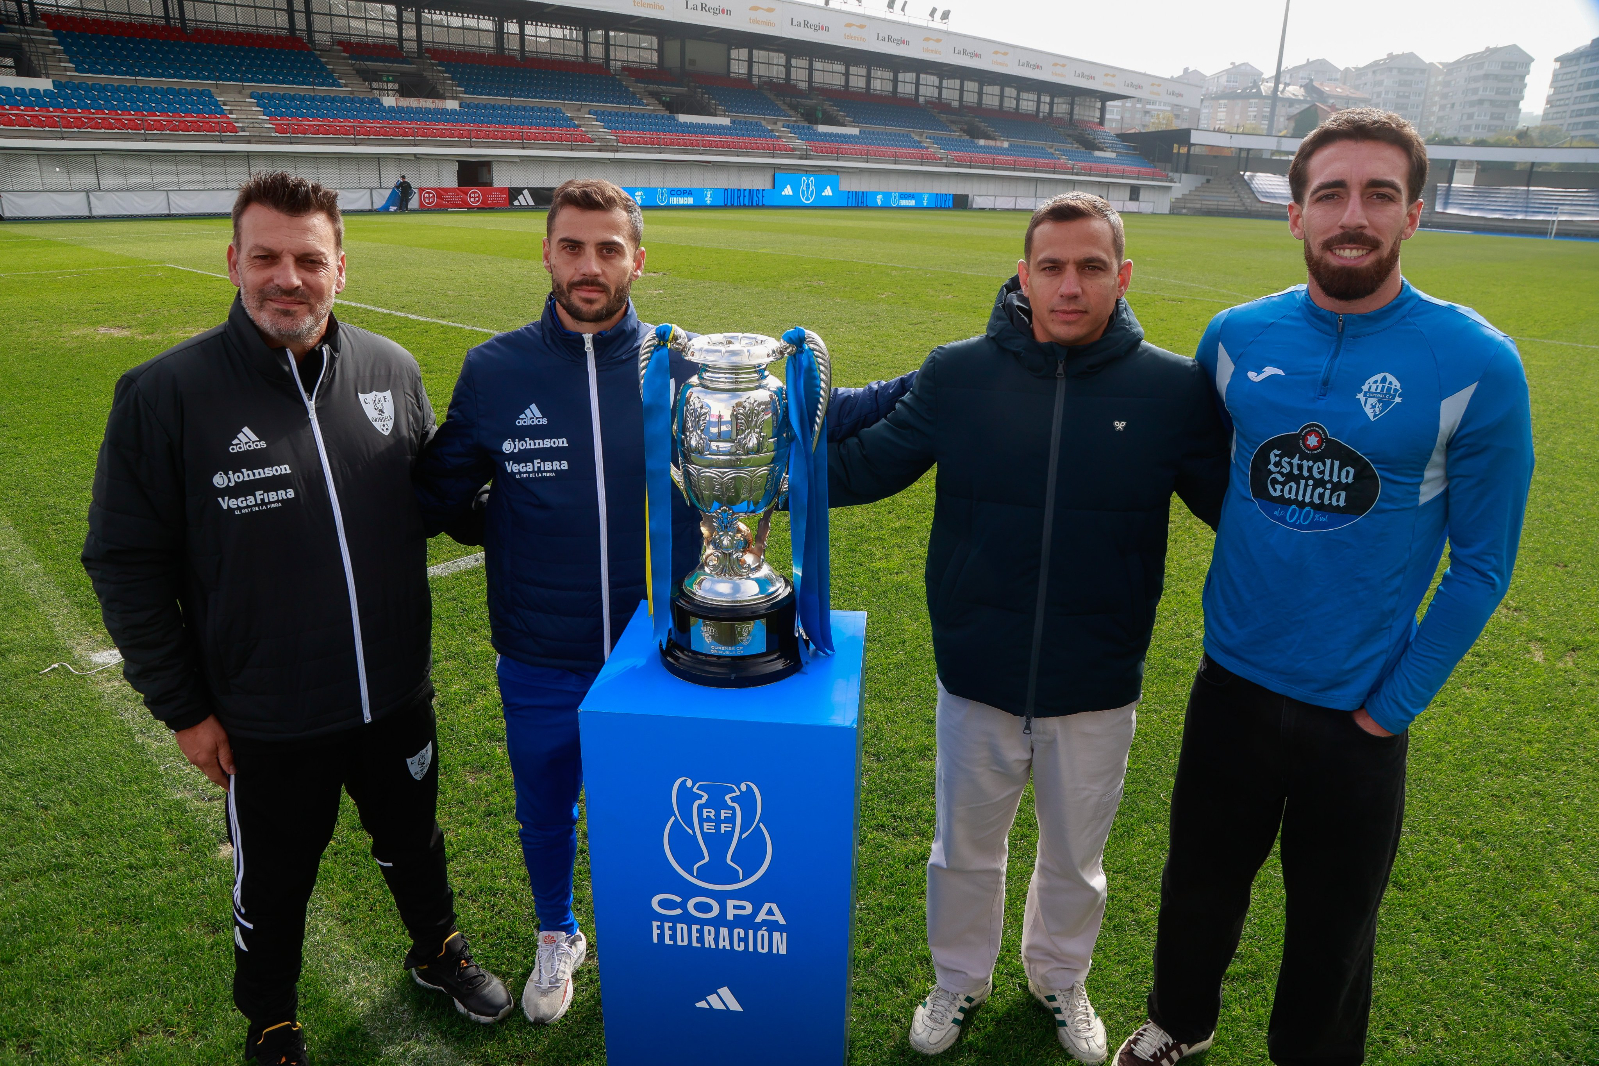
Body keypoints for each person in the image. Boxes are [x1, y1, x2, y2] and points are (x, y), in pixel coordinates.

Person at [412, 177, 914, 1026]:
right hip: (541, 642)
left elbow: (827, 417)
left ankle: (657, 940)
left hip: (667, 649)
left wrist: (938, 375)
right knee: (543, 799)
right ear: (546, 252)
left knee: (664, 805)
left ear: (638, 260)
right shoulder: (495, 369)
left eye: (609, 248)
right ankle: (555, 931)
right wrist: (486, 525)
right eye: (572, 245)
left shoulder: (690, 370)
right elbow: (439, 487)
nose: (589, 264)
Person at [1114, 110, 1535, 1066]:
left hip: (1358, 714)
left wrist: (1392, 708)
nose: (1354, 215)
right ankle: (1177, 1027)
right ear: (1294, 214)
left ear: (1413, 215)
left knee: (1333, 928)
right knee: (1196, 891)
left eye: (1378, 194)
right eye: (1331, 194)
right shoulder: (1234, 336)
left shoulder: (1476, 363)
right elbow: (1221, 481)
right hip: (1230, 686)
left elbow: (1481, 565)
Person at [81, 173, 511, 1066]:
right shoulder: (165, 394)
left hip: (394, 690)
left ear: (340, 270)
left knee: (413, 840)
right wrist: (185, 710)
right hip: (266, 714)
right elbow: (123, 562)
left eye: (308, 259)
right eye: (267, 257)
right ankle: (271, 1017)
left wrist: (545, 492)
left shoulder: (391, 368)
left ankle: (436, 951)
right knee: (274, 879)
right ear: (233, 261)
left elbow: (435, 502)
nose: (288, 278)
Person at [827, 192, 1231, 1063]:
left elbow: (1236, 512)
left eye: (1091, 267)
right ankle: (957, 979)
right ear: (1023, 274)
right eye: (1051, 266)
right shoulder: (959, 372)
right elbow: (863, 468)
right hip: (978, 667)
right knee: (962, 851)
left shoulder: (1169, 389)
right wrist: (746, 465)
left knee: (1076, 862)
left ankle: (1058, 978)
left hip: (1097, 677)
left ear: (1120, 278)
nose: (1070, 285)